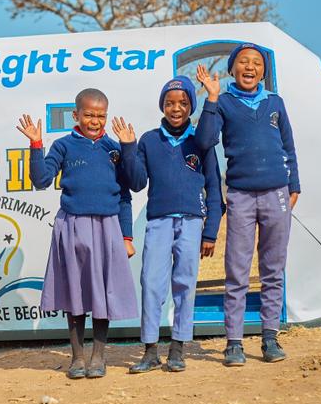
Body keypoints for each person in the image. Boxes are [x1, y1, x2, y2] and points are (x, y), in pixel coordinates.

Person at [17, 88, 138, 379]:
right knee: (76, 293)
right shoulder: (63, 146)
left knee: (101, 293)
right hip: (72, 226)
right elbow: (41, 180)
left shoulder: (114, 148)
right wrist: (36, 144)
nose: (94, 120)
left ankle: (98, 356)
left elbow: (128, 191)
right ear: (76, 115)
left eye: (100, 115)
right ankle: (77, 357)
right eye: (88, 114)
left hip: (107, 227)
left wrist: (127, 236)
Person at [196, 43, 300, 366]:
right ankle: (234, 342)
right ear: (232, 69)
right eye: (243, 62)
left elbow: (289, 146)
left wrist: (294, 185)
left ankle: (270, 337)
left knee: (273, 268)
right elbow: (204, 141)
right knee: (237, 270)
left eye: (256, 63)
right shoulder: (224, 102)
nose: (250, 67)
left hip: (277, 194)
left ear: (263, 71)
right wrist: (211, 98)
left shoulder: (275, 103)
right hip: (240, 195)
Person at [121, 76, 224, 373]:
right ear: (161, 106)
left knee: (185, 283)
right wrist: (128, 148)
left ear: (191, 105)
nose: (176, 108)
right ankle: (150, 350)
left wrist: (211, 230)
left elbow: (214, 189)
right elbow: (138, 183)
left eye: (182, 103)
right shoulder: (150, 141)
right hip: (159, 221)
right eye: (169, 103)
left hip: (192, 223)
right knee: (151, 283)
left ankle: (178, 348)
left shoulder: (200, 141)